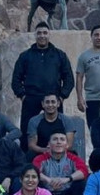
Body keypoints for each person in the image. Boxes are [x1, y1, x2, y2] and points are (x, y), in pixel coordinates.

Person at [12, 23, 75, 152]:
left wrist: (62, 97)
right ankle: (26, 163)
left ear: (49, 35)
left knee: (58, 131)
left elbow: (69, 78)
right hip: (31, 98)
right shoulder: (25, 56)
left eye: (45, 33)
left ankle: (58, 157)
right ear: (35, 35)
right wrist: (23, 96)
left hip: (54, 99)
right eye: (39, 33)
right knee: (27, 131)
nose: (42, 36)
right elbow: (16, 79)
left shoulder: (59, 55)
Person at [26, 93, 80, 157]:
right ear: (43, 104)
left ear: (58, 104)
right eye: (47, 102)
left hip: (62, 153)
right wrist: (46, 150)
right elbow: (32, 145)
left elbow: (69, 144)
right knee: (29, 156)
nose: (50, 105)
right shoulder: (34, 121)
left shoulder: (67, 120)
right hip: (42, 153)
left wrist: (56, 150)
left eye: (53, 102)